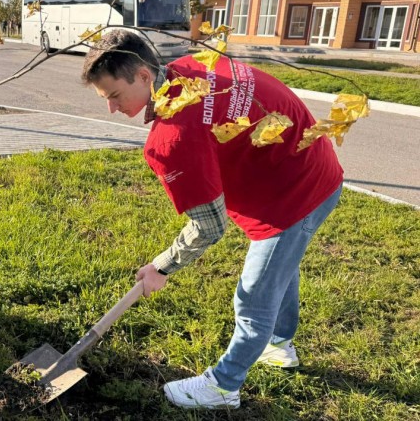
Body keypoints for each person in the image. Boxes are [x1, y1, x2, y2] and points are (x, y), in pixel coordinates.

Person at [81, 30, 343, 409]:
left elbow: (209, 226)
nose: (111, 108)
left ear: (143, 75)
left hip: (295, 193)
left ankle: (224, 386)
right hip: (315, 166)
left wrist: (162, 267)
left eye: (115, 97)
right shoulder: (192, 65)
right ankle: (280, 345)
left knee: (254, 295)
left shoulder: (174, 139)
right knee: (282, 267)